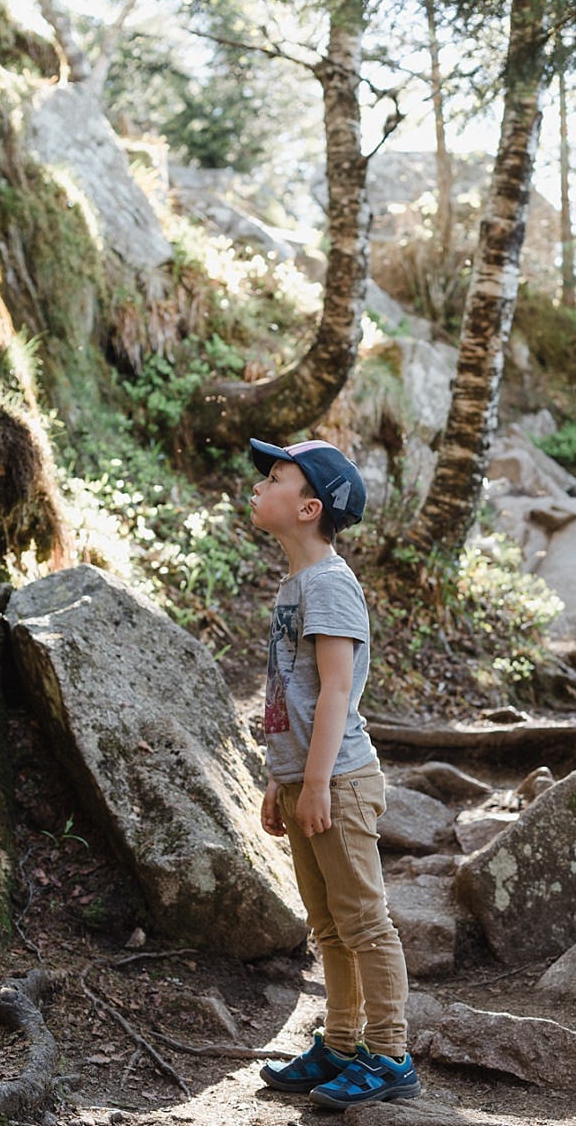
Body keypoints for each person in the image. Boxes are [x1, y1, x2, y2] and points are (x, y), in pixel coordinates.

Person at [246, 437, 421, 1109]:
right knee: (329, 926)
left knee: (364, 922)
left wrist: (316, 783)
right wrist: (281, 779)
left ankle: (390, 1054)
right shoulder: (296, 583)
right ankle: (342, 1043)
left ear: (310, 506)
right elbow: (293, 697)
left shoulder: (330, 584)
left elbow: (337, 693)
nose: (260, 485)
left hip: (339, 783)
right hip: (305, 781)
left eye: (276, 477)